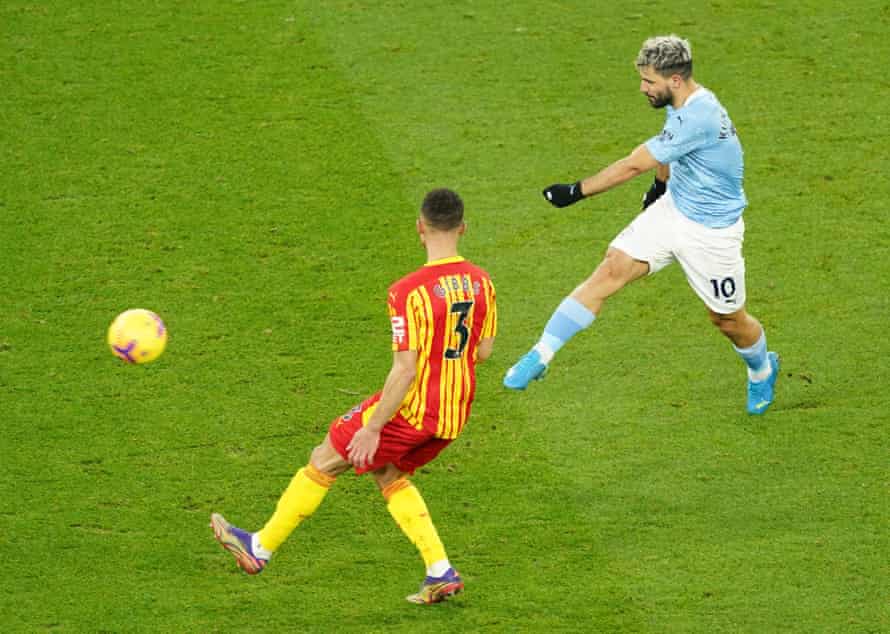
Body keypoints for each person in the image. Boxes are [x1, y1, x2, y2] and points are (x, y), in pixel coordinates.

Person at [211, 188, 497, 604]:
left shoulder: (407, 291)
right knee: (388, 473)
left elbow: (405, 369)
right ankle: (440, 571)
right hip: (453, 412)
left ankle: (259, 549)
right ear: (463, 228)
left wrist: (374, 427)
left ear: (420, 228)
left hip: (413, 408)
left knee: (325, 456)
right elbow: (483, 352)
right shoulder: (483, 282)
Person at [503, 35, 779, 415]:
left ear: (675, 80)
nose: (642, 88)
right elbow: (669, 146)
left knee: (728, 320)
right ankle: (542, 353)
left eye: (649, 81)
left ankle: (762, 369)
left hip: (712, 233)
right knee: (610, 269)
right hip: (673, 210)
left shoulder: (699, 116)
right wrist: (661, 186)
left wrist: (575, 191)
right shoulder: (682, 103)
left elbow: (634, 163)